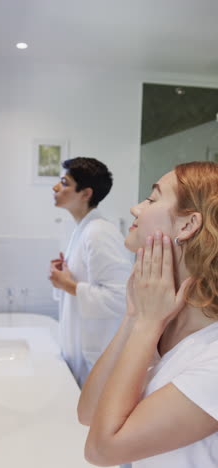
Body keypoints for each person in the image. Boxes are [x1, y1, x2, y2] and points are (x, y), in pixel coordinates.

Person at [78, 161, 218, 467]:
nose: (135, 208)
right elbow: (88, 412)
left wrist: (145, 324)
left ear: (187, 225)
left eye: (152, 199)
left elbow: (101, 451)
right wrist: (133, 317)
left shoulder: (212, 358)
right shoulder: (161, 326)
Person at [49, 157, 132, 388]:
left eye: (64, 183)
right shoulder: (82, 231)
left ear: (85, 193)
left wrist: (69, 286)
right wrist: (63, 280)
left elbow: (120, 298)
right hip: (81, 352)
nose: (56, 187)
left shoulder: (99, 233)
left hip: (95, 357)